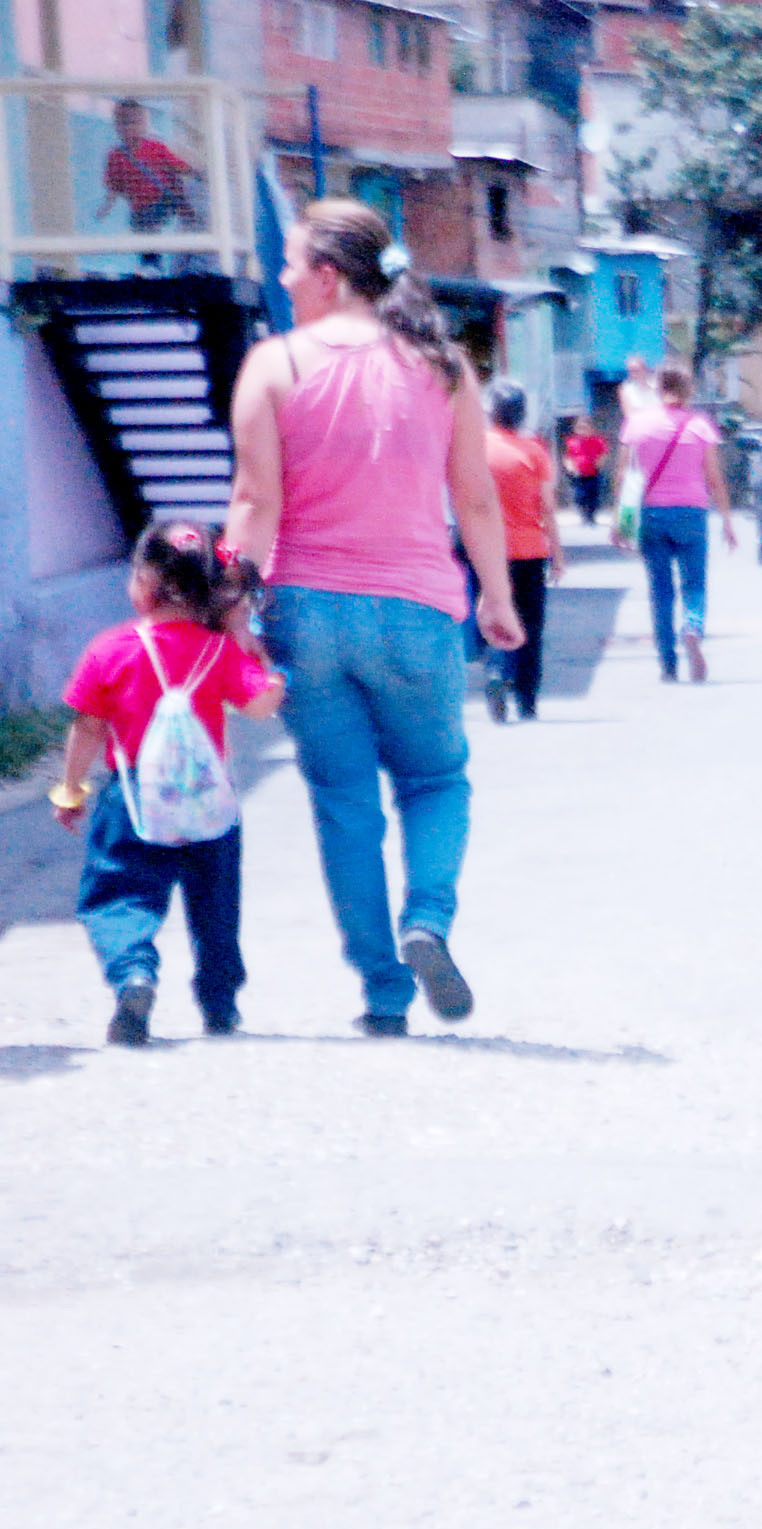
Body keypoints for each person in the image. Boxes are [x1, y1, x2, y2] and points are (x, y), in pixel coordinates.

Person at [223, 197, 523, 1038]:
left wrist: (232, 614)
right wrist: (497, 599)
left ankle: (384, 996)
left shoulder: (273, 365)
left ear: (325, 277)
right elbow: (475, 498)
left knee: (344, 802)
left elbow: (254, 503)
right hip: (419, 607)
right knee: (435, 781)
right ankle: (426, 918)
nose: (279, 278)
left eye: (288, 264)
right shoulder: (442, 365)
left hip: (306, 610)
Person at [47, 520, 284, 1045]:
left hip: (133, 799)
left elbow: (88, 727)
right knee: (216, 904)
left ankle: (134, 972)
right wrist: (262, 658)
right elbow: (261, 704)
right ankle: (220, 1004)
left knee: (118, 896)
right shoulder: (218, 651)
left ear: (147, 584)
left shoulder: (110, 650)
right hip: (208, 803)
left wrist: (70, 791)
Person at [614, 365, 736, 683]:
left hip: (652, 514)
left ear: (658, 388)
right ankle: (692, 627)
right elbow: (715, 479)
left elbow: (623, 475)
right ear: (688, 389)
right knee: (694, 583)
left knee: (661, 591)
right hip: (692, 512)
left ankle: (668, 663)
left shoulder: (638, 424)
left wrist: (619, 519)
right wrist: (726, 521)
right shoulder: (700, 425)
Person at [482, 381, 561, 722]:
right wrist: (557, 553)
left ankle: (498, 671)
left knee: (494, 616)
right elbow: (547, 508)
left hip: (487, 550)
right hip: (529, 551)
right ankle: (527, 699)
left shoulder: (477, 448)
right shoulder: (534, 452)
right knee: (530, 624)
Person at [97, 98, 201, 270]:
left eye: (135, 122)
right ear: (117, 126)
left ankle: (162, 259)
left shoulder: (156, 148)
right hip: (140, 208)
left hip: (163, 201)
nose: (129, 128)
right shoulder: (115, 156)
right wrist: (106, 207)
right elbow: (113, 186)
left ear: (144, 124)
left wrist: (196, 172)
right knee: (140, 229)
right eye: (123, 123)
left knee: (150, 225)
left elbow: (177, 165)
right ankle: (151, 264)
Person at [562, 415, 609, 527]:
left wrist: (599, 464)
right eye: (580, 428)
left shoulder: (597, 440)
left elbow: (603, 453)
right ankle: (583, 514)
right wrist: (570, 467)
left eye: (585, 428)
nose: (582, 431)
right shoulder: (572, 441)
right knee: (579, 496)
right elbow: (567, 456)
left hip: (593, 473)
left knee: (593, 495)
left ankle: (591, 516)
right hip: (578, 474)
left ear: (591, 428)